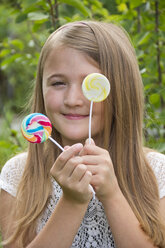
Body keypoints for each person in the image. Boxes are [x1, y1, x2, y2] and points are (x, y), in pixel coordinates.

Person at [0, 20, 165, 248]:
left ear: (121, 91)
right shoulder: (18, 176)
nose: (73, 100)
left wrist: (111, 194)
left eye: (90, 85)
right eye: (58, 83)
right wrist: (72, 202)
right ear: (41, 89)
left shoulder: (156, 173)